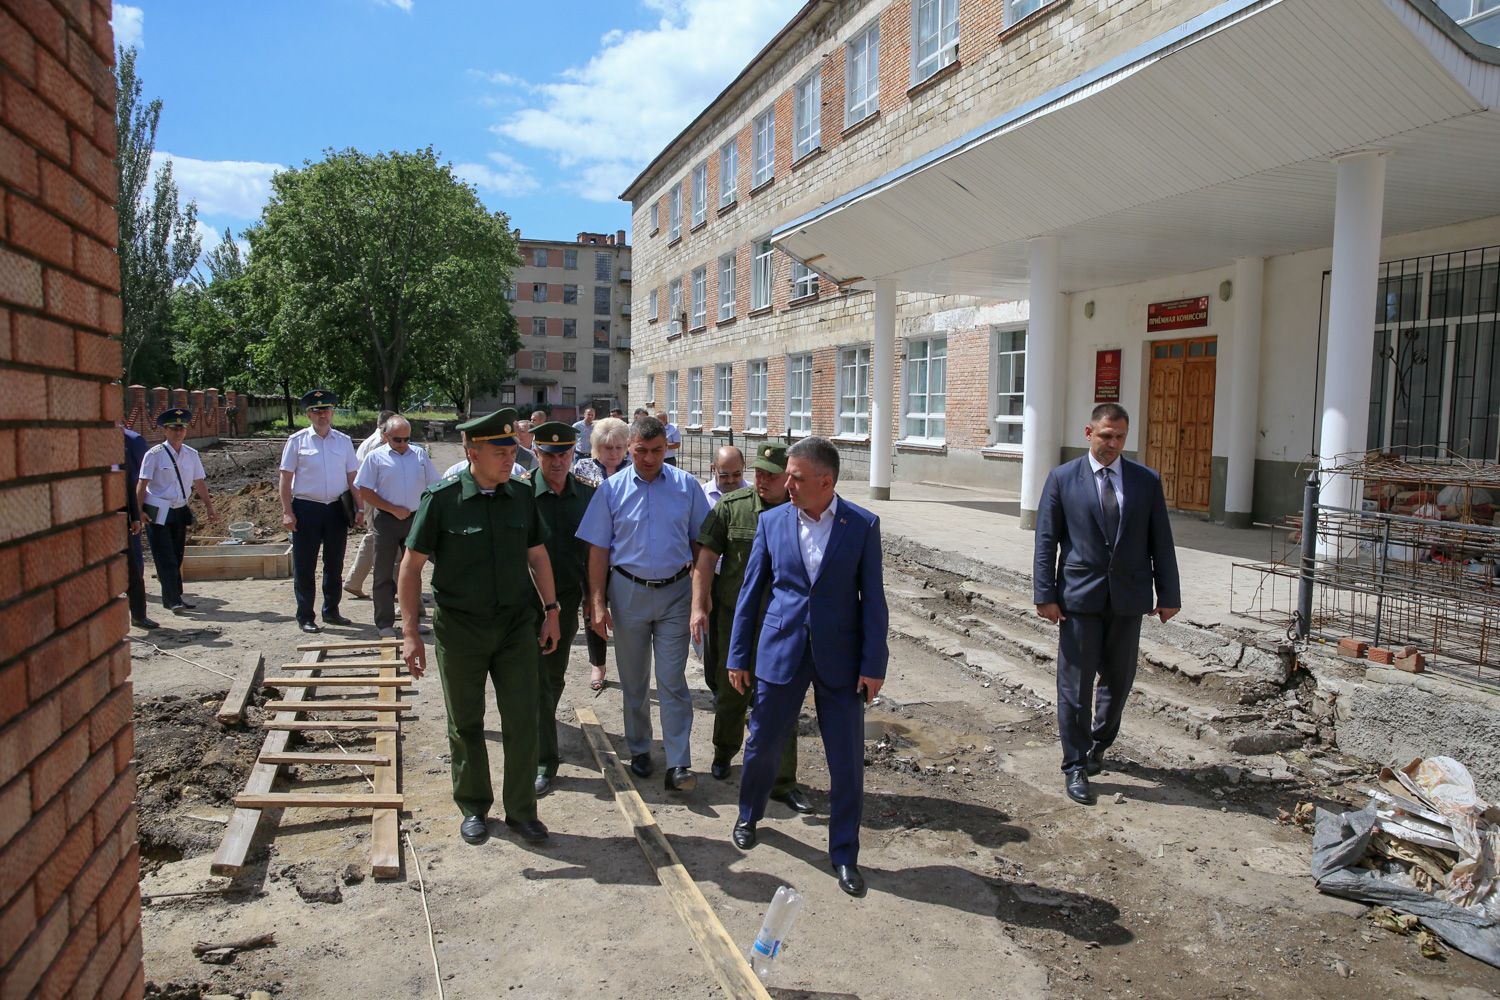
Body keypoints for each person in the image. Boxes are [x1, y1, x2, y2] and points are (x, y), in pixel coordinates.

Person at [727, 437, 887, 898]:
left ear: (826, 481)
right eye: (787, 477)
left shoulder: (862, 525)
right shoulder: (772, 522)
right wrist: (738, 655)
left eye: (796, 478)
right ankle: (749, 815)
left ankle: (844, 853)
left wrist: (873, 664)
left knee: (846, 759)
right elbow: (751, 593)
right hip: (781, 649)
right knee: (762, 742)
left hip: (841, 658)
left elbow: (873, 600)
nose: (787, 484)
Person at [398, 407, 562, 846]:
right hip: (461, 630)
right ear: (472, 452)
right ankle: (474, 807)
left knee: (523, 719)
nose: (510, 458)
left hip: (515, 628)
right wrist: (410, 632)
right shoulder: (442, 500)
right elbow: (410, 568)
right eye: (499, 452)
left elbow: (538, 556)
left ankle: (522, 811)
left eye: (511, 450)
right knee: (466, 722)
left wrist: (552, 610)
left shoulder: (521, 496)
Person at [1033, 402, 1181, 806]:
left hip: (1129, 598)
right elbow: (1046, 541)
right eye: (1105, 435)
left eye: (1119, 437)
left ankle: (1099, 743)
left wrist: (1169, 595)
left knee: (1119, 680)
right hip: (1079, 598)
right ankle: (1075, 765)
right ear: (1089, 433)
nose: (1112, 443)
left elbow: (1161, 541)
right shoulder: (1063, 479)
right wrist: (1044, 594)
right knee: (1075, 687)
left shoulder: (1145, 481)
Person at [578, 415, 710, 791]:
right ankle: (639, 748)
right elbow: (598, 550)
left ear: (667, 448)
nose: (649, 458)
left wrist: (701, 598)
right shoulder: (611, 490)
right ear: (630, 449)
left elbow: (702, 545)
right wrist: (598, 603)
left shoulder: (686, 487)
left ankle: (678, 762)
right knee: (634, 680)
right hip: (628, 592)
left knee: (672, 679)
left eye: (656, 450)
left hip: (675, 593)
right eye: (641, 451)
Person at [691, 442, 807, 812]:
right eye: (757, 473)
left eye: (770, 475)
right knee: (730, 691)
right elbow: (706, 557)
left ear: (787, 477)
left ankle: (783, 780)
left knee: (781, 700)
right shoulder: (732, 507)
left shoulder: (803, 512)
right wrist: (699, 605)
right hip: (735, 619)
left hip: (783, 624)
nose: (761, 481)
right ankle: (724, 752)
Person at [528, 421, 596, 795]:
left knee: (552, 675)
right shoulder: (519, 492)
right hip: (524, 601)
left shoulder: (587, 495)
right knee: (531, 678)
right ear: (536, 453)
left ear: (574, 454)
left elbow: (593, 553)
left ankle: (541, 732)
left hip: (566, 600)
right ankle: (543, 758)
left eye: (565, 455)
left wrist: (593, 599)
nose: (558, 463)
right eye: (550, 455)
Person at [279, 388, 361, 634]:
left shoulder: (343, 441)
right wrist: (287, 511)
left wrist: (360, 507)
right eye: (316, 411)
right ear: (308, 415)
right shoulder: (297, 441)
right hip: (306, 508)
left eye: (326, 410)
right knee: (305, 565)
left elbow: (352, 476)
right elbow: (285, 478)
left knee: (334, 563)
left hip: (336, 508)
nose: (322, 415)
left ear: (332, 413)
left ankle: (331, 610)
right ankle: (305, 615)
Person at [354, 415, 441, 638]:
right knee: (383, 572)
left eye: (406, 439)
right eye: (397, 440)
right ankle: (384, 623)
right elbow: (364, 491)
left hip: (414, 519)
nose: (403, 444)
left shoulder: (419, 455)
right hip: (387, 520)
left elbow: (434, 485)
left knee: (413, 571)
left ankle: (413, 620)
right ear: (386, 437)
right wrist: (392, 509)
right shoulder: (375, 458)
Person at [136, 408, 217, 614]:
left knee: (177, 554)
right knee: (165, 557)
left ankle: (175, 596)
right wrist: (138, 511)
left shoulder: (191, 454)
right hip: (157, 510)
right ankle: (172, 599)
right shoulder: (154, 455)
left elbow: (199, 482)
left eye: (182, 428)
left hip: (179, 509)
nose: (178, 432)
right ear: (165, 430)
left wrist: (209, 506)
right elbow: (142, 484)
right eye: (174, 428)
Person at [570, 416, 630, 692]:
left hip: (625, 552)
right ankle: (598, 663)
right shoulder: (582, 468)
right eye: (608, 447)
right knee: (592, 606)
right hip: (590, 550)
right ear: (596, 447)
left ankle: (630, 664)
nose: (614, 453)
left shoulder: (634, 469)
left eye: (619, 447)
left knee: (626, 610)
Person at [343, 410, 396, 601]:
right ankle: (357, 581)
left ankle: (355, 581)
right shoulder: (377, 444)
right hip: (375, 497)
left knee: (374, 538)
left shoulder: (370, 442)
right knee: (377, 538)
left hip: (372, 497)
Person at [121, 423, 156, 629]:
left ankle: (138, 615)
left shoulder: (127, 446)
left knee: (133, 568)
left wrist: (135, 515)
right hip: (96, 521)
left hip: (121, 519)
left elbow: (131, 484)